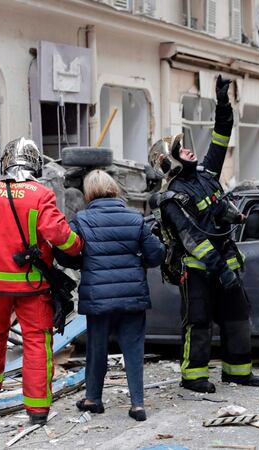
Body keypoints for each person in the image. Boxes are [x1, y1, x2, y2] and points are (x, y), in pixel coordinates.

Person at [0, 137, 83, 425]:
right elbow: (60, 236)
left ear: (5, 162)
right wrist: (78, 246)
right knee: (36, 342)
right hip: (32, 287)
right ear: (34, 162)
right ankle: (37, 410)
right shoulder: (41, 195)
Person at [150, 75, 259, 394]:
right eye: (180, 149)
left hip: (224, 257)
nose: (188, 150)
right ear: (170, 162)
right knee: (198, 320)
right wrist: (220, 270)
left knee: (237, 315)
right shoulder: (173, 197)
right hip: (198, 267)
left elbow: (222, 134)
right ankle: (194, 376)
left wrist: (222, 101)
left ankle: (237, 371)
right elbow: (192, 239)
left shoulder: (207, 174)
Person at [56, 170, 164, 422]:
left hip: (98, 298)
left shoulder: (81, 220)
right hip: (131, 296)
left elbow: (67, 256)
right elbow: (155, 255)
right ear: (114, 189)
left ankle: (93, 399)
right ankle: (137, 404)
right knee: (134, 350)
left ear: (89, 192)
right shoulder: (135, 218)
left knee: (96, 349)